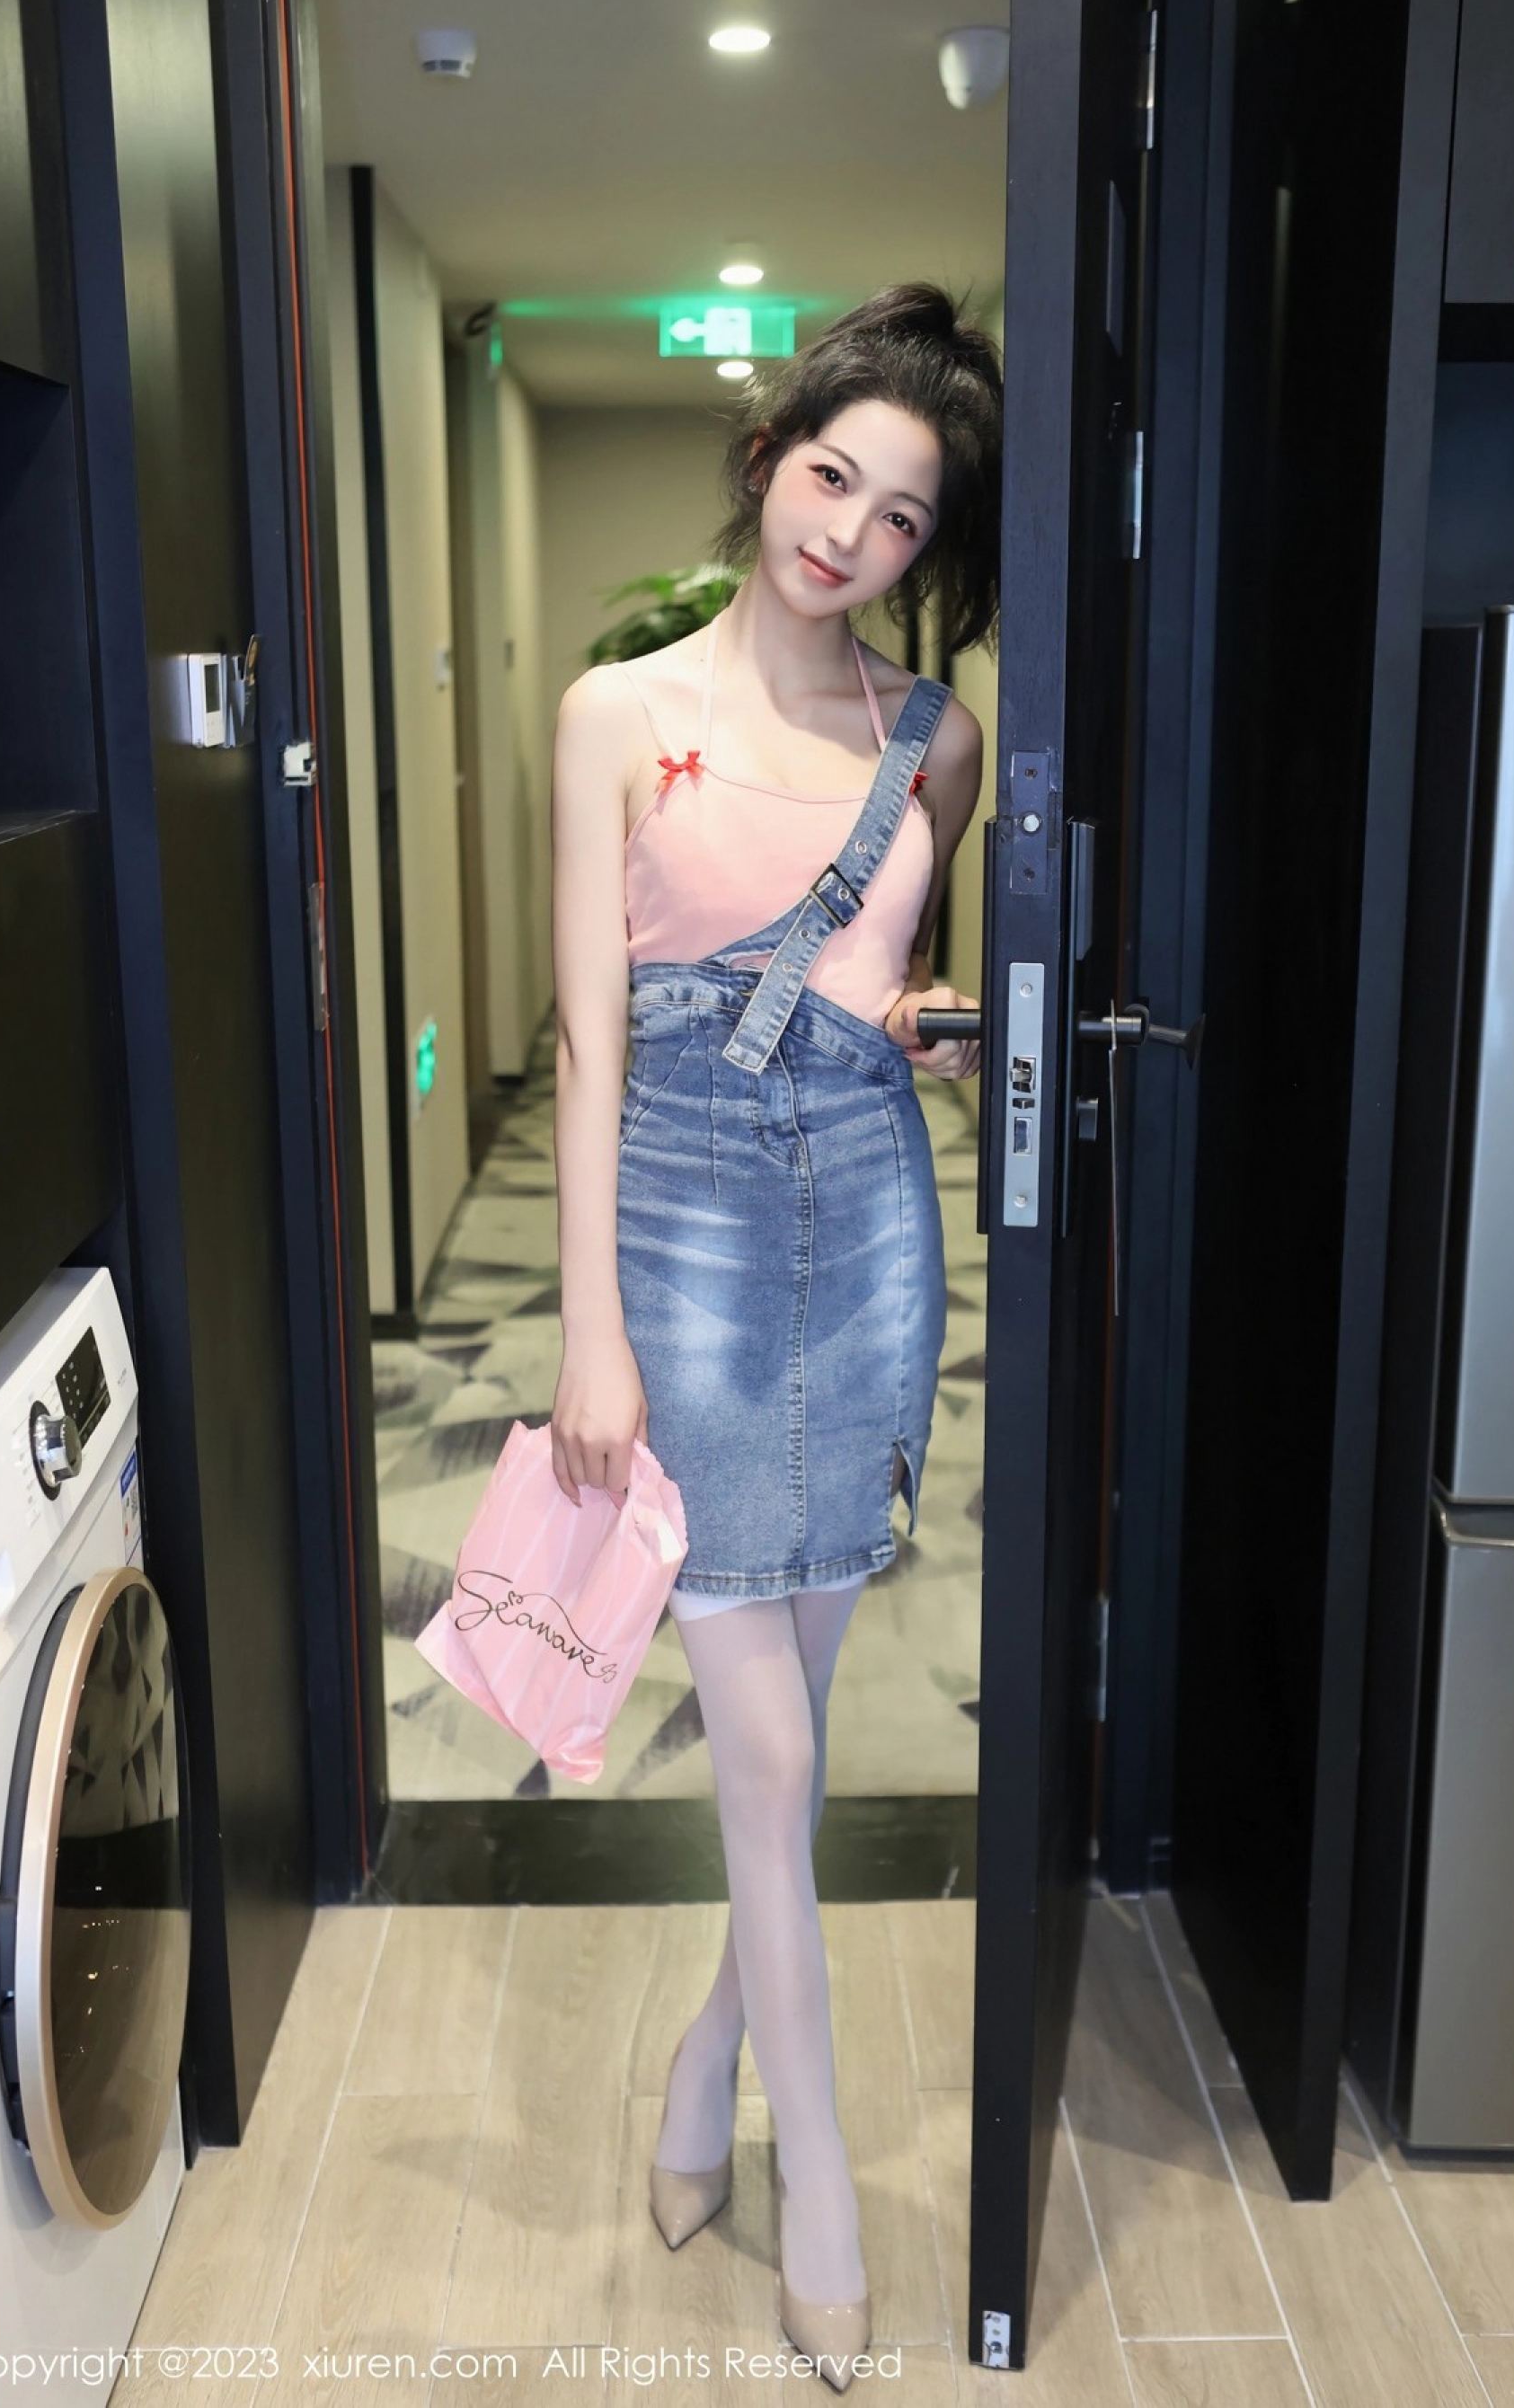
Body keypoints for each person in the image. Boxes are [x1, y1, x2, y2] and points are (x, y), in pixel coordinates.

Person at [548, 281, 1001, 2387]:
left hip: (874, 1230)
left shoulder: (938, 743)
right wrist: (592, 1330)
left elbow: (896, 978)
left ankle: (699, 2068)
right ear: (768, 460)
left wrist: (929, 1020)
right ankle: (818, 2186)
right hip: (682, 1238)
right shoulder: (616, 713)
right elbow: (588, 1039)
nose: (852, 535)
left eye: (903, 518)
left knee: (783, 1746)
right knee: (783, 1757)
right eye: (834, 477)